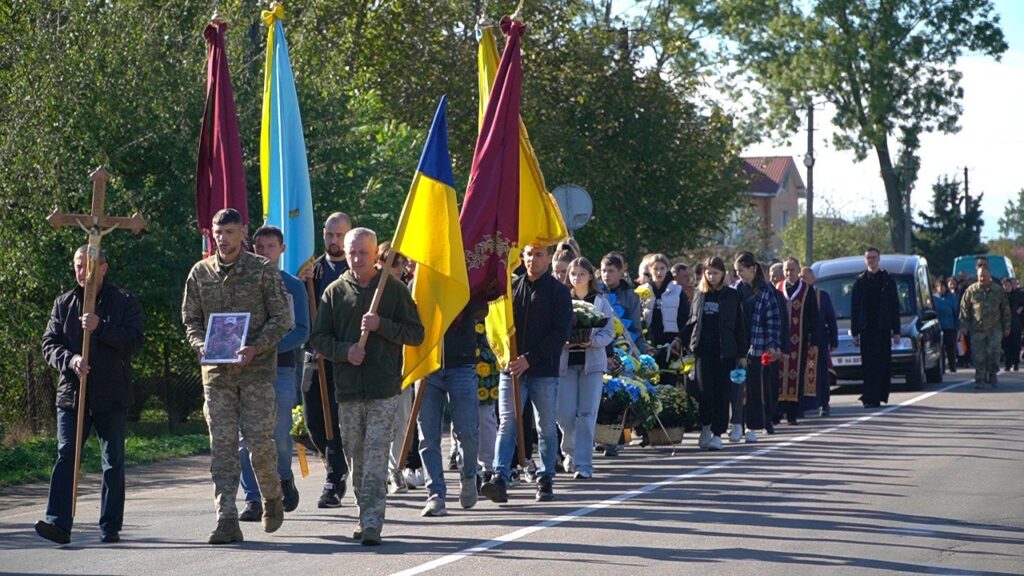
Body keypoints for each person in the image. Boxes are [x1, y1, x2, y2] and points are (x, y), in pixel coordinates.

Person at [182, 208, 293, 544]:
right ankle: (226, 518)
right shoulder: (200, 273)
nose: (223, 238)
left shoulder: (261, 270)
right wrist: (201, 344)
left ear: (243, 233)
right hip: (216, 375)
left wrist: (256, 348)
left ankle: (272, 497)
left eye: (230, 231)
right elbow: (191, 321)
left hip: (255, 372)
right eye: (218, 232)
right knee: (223, 448)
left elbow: (281, 319)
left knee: (259, 443)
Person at [309, 227, 424, 545]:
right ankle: (365, 513)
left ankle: (372, 521)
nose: (357, 258)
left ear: (375, 254)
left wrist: (381, 326)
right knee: (357, 458)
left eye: (363, 252)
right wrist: (346, 351)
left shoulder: (393, 289)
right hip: (347, 391)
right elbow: (319, 338)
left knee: (375, 456)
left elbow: (416, 333)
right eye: (352, 252)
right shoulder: (334, 292)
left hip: (383, 388)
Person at [36, 246, 144, 545]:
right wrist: (70, 360)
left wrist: (102, 327)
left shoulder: (123, 301)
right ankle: (58, 522)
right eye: (78, 266)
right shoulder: (65, 303)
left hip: (111, 394)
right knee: (66, 454)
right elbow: (49, 343)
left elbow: (135, 340)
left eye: (89, 266)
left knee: (113, 461)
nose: (82, 272)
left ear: (104, 268)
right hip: (73, 395)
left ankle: (110, 525)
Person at [480, 243, 572, 503]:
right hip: (511, 370)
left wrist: (530, 359)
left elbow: (560, 334)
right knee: (507, 423)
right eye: (528, 254)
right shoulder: (510, 289)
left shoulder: (559, 292)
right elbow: (497, 325)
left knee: (545, 426)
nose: (532, 259)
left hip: (543, 370)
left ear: (549, 257)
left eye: (539, 254)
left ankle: (545, 477)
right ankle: (500, 476)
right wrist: (506, 357)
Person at [237, 226, 310, 522]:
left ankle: (283, 477)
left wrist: (268, 346)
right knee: (247, 438)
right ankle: (253, 499)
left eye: (271, 246)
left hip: (281, 367)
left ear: (282, 249)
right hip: (246, 370)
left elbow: (303, 330)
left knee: (279, 435)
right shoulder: (241, 283)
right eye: (260, 246)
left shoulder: (293, 286)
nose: (265, 251)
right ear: (253, 248)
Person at [299, 212, 352, 509]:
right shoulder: (311, 271)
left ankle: (334, 478)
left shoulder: (356, 270)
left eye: (340, 235)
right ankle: (336, 463)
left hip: (343, 360)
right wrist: (298, 283)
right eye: (329, 235)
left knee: (340, 421)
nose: (334, 241)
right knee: (315, 423)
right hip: (313, 357)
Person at [416, 299, 487, 517]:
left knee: (467, 432)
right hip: (427, 366)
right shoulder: (418, 287)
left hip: (462, 365)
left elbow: (482, 309)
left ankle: (468, 475)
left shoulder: (463, 282)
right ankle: (435, 493)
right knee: (427, 435)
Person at [679, 257, 747, 451]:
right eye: (708, 272)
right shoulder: (700, 294)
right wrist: (680, 340)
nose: (712, 276)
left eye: (715, 273)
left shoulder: (732, 296)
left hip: (725, 352)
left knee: (722, 393)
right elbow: (692, 322)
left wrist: (741, 354)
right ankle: (706, 426)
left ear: (723, 274)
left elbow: (739, 327)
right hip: (702, 350)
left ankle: (718, 433)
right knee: (704, 392)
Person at [557, 257, 615, 478]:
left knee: (587, 413)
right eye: (573, 274)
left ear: (590, 276)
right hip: (566, 363)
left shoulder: (600, 301)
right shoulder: (562, 299)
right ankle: (569, 451)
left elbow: (609, 332)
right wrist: (563, 342)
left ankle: (583, 464)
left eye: (581, 274)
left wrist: (592, 342)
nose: (577, 278)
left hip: (592, 364)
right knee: (564, 414)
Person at [732, 252, 780, 444]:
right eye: (736, 271)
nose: (739, 275)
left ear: (753, 269)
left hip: (758, 346)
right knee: (736, 386)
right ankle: (736, 424)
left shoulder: (766, 291)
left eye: (741, 270)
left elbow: (774, 320)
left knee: (754, 388)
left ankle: (753, 426)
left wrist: (772, 345)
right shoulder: (734, 290)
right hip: (737, 347)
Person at [850, 248, 901, 408]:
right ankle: (869, 396)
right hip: (866, 329)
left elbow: (894, 306)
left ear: (879, 259)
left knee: (882, 363)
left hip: (883, 328)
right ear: (865, 260)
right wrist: (855, 331)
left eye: (874, 257)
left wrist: (896, 330)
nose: (871, 260)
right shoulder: (860, 281)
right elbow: (855, 308)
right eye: (868, 258)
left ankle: (879, 395)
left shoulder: (887, 280)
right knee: (868, 364)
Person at [776, 257, 819, 423]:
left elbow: (814, 318)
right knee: (778, 375)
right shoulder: (778, 288)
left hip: (799, 341)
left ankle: (793, 412)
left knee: (796, 374)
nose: (788, 273)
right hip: (780, 340)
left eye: (792, 269)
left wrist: (814, 342)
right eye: (786, 270)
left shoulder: (807, 290)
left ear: (798, 270)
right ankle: (778, 411)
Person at [641, 254, 689, 384]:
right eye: (655, 268)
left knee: (669, 380)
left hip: (670, 342)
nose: (658, 272)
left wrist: (680, 340)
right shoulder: (643, 291)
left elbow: (685, 317)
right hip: (650, 342)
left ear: (667, 269)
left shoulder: (677, 291)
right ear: (649, 270)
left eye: (662, 268)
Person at [960, 266, 1010, 388]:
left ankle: (992, 374)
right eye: (980, 276)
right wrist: (964, 325)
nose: (982, 278)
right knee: (978, 355)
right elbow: (964, 309)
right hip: (977, 329)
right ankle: (980, 378)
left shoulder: (998, 291)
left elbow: (1005, 310)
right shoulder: (971, 291)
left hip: (994, 329)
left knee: (994, 353)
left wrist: (1007, 326)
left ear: (990, 276)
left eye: (984, 276)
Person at [802, 267, 838, 416]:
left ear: (813, 279)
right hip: (804, 339)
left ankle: (824, 403)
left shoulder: (822, 296)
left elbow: (831, 318)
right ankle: (805, 405)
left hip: (820, 338)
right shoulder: (799, 295)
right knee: (804, 373)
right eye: (801, 277)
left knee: (822, 372)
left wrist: (834, 341)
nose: (803, 280)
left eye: (806, 277)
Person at [933, 278, 960, 373]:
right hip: (938, 328)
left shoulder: (951, 298)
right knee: (939, 349)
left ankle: (952, 367)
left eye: (942, 286)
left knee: (950, 348)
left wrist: (958, 327)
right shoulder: (934, 298)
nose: (940, 288)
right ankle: (942, 368)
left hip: (950, 327)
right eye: (938, 286)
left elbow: (957, 313)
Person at [1001, 278, 1023, 371]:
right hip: (1004, 324)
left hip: (1015, 323)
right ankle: (1008, 363)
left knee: (1016, 344)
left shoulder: (1018, 294)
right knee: (1006, 345)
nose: (1007, 287)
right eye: (1005, 285)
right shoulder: (1001, 296)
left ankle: (1016, 363)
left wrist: (1021, 309)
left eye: (1008, 285)